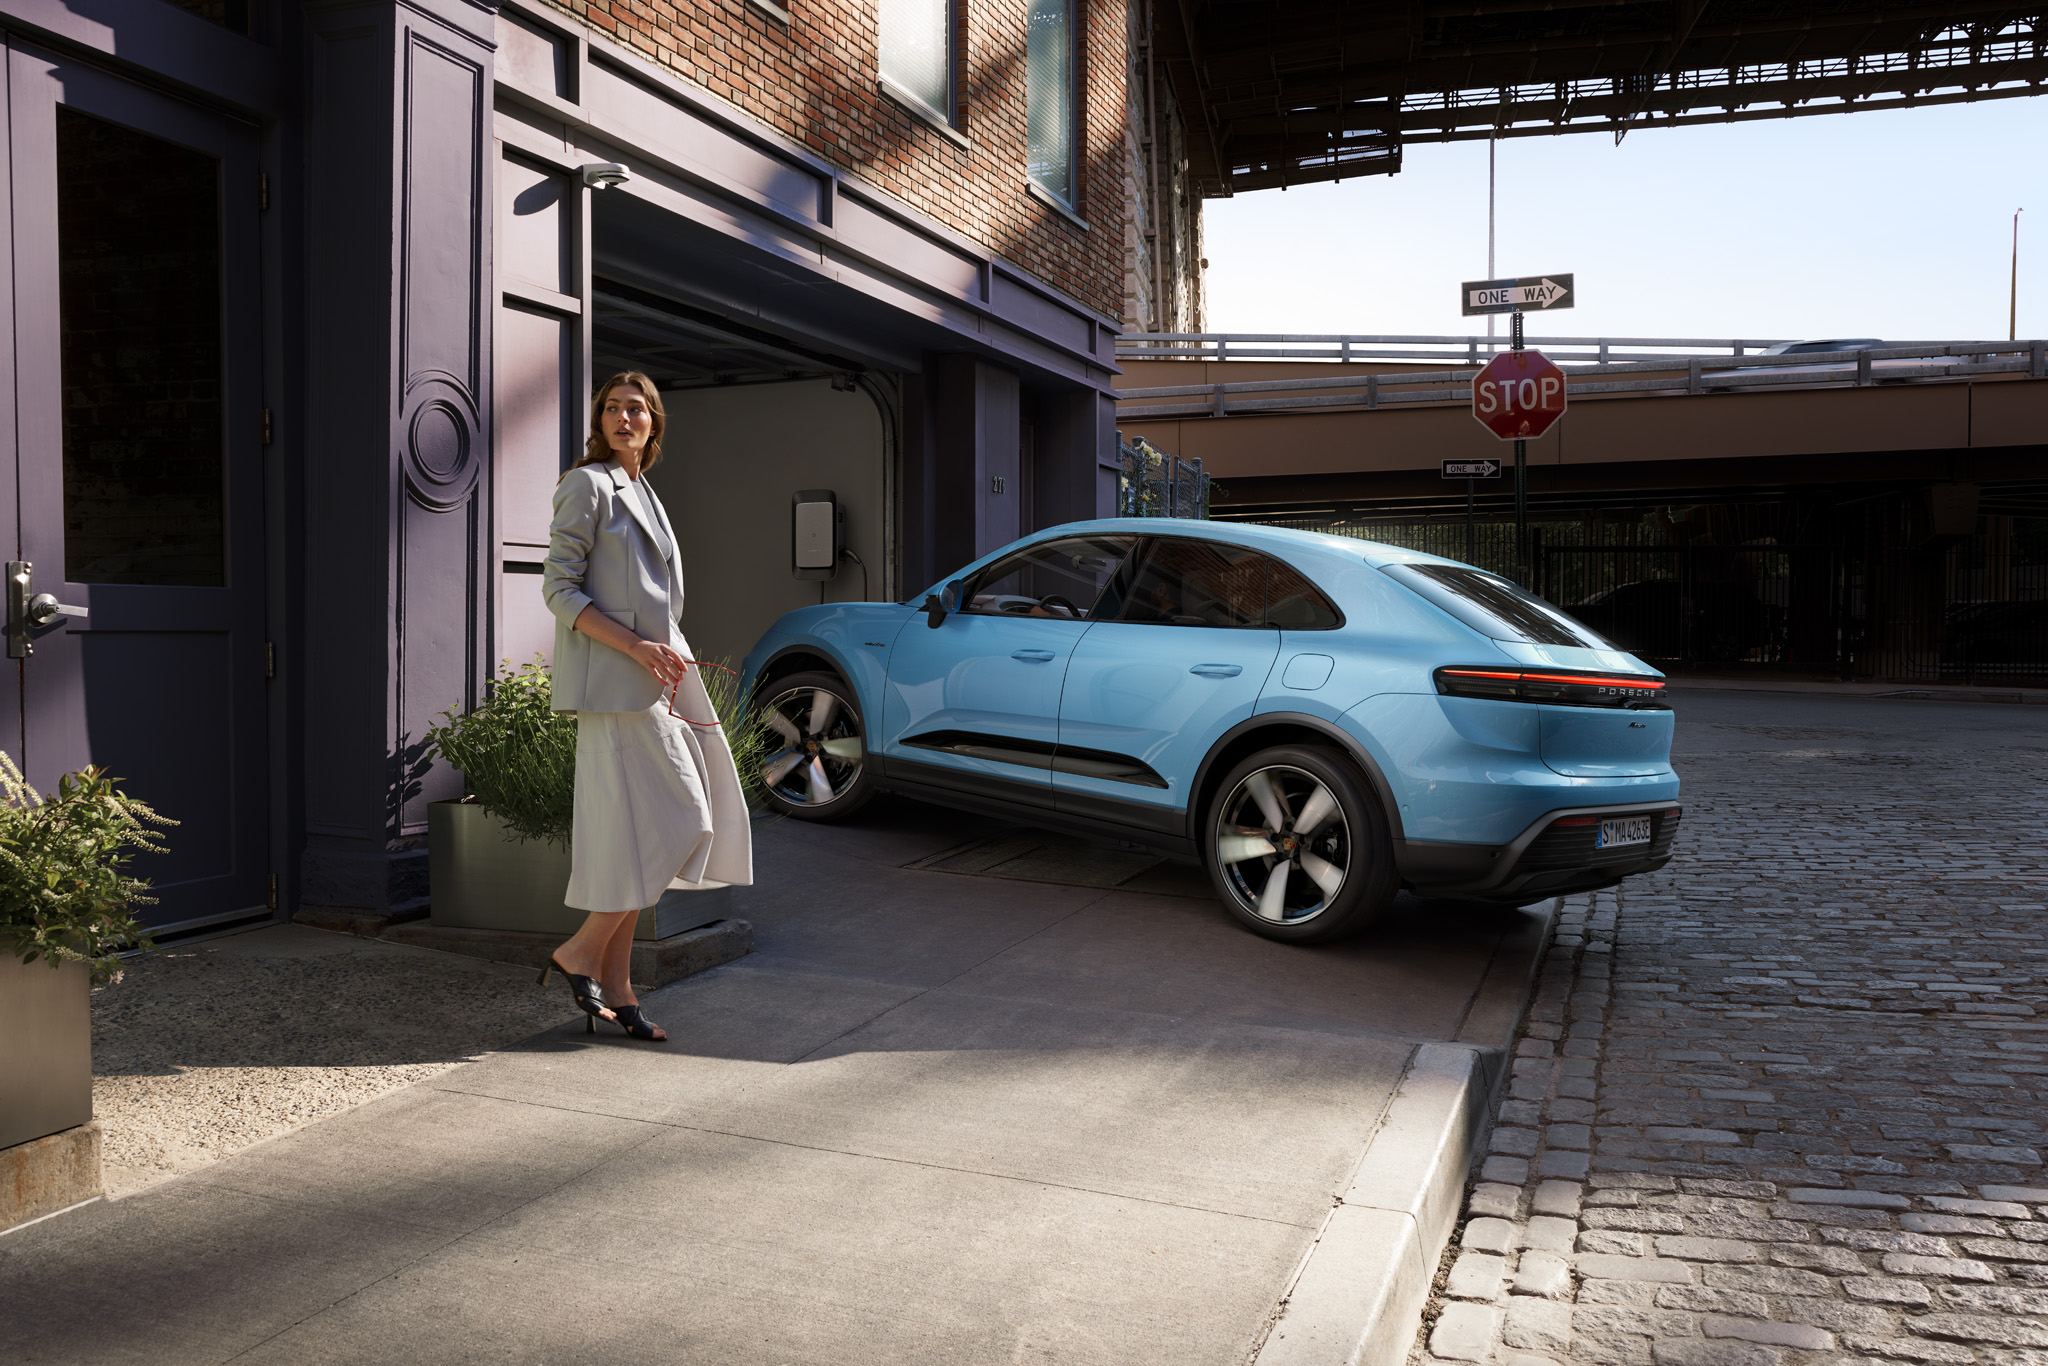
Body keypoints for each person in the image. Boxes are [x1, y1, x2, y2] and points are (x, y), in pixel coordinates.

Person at [536, 371, 753, 1042]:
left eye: (636, 409)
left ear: (655, 424)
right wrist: (637, 649)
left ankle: (622, 990)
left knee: (632, 843)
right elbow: (560, 592)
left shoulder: (644, 492)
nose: (623, 417)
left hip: (653, 682)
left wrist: (676, 667)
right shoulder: (588, 485)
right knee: (687, 817)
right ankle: (577, 953)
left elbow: (658, 605)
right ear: (598, 421)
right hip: (614, 689)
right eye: (612, 408)